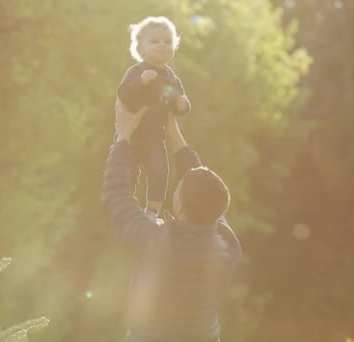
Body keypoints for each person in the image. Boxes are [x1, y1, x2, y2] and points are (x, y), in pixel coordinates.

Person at [102, 100, 241, 342]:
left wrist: (123, 137)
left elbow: (116, 193)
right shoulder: (228, 245)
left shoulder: (156, 244)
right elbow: (206, 194)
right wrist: (174, 133)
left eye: (179, 188)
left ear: (181, 205)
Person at [116, 16, 191, 220]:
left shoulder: (172, 79)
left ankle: (152, 211)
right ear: (140, 48)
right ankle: (127, 204)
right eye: (155, 41)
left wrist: (183, 105)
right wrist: (140, 82)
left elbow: (178, 102)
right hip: (132, 136)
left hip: (156, 137)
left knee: (160, 172)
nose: (162, 45)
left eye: (167, 42)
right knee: (127, 171)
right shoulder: (136, 71)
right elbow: (123, 95)